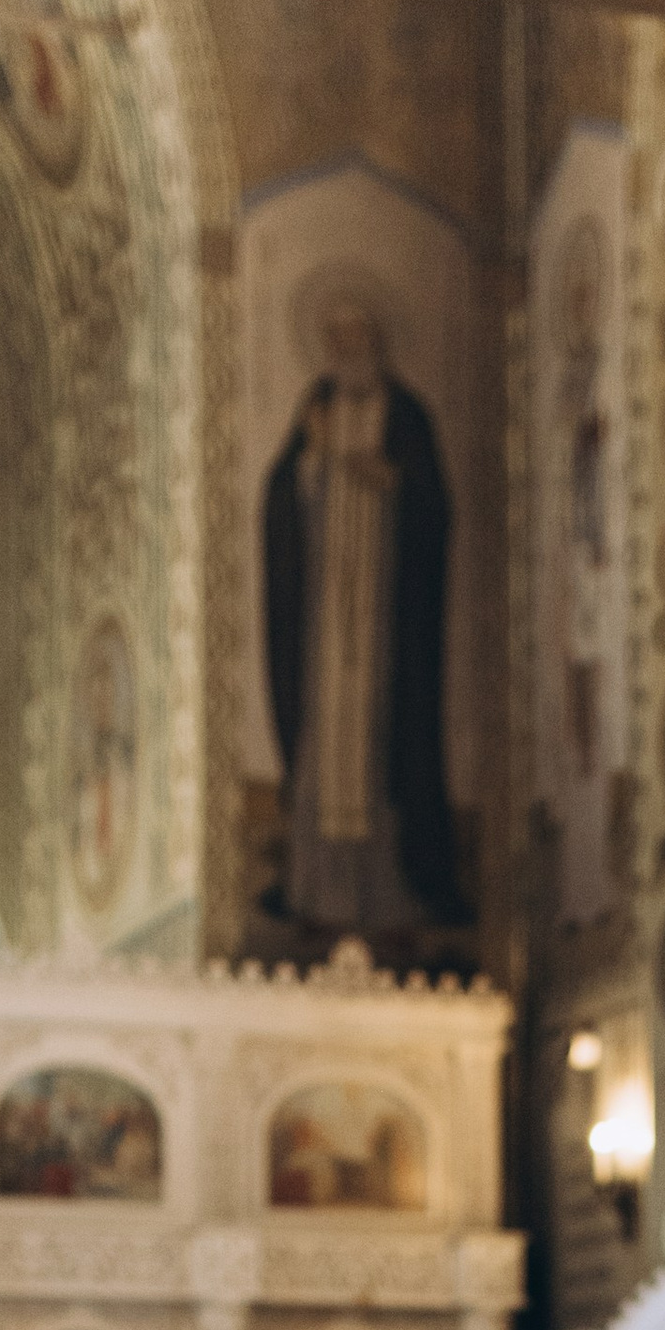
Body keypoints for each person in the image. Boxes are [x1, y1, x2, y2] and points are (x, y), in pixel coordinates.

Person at [261, 296, 459, 935]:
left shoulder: (406, 415)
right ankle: (313, 888)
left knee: (380, 744)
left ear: (376, 342)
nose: (347, 354)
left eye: (357, 340)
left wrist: (392, 481)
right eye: (337, 342)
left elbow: (434, 505)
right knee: (326, 742)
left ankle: (389, 892)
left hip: (383, 617)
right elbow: (281, 500)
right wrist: (312, 460)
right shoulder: (316, 410)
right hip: (325, 616)